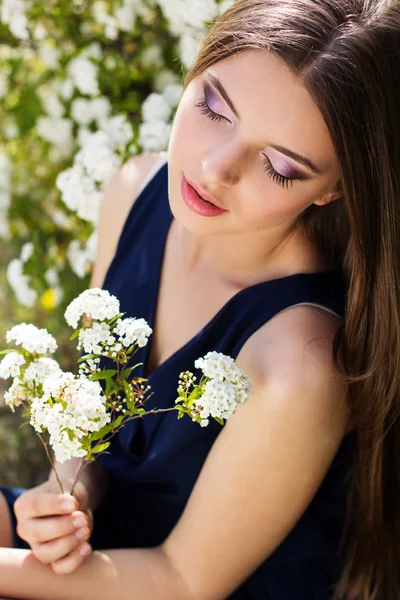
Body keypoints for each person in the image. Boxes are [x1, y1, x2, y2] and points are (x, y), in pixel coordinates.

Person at [0, 0, 399, 598]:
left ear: (335, 188)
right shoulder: (135, 190)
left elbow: (185, 579)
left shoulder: (300, 360)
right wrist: (73, 489)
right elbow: (95, 413)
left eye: (280, 166)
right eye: (214, 106)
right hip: (99, 548)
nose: (213, 169)